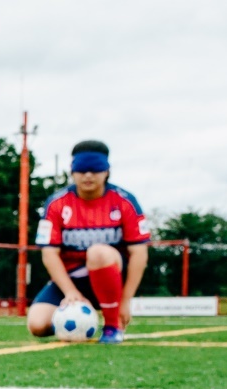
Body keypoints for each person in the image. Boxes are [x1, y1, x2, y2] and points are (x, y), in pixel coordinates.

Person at [28, 140, 150, 343]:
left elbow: (139, 252)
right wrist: (70, 292)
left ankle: (112, 326)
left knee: (98, 252)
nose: (88, 175)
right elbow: (49, 254)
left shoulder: (125, 201)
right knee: (38, 325)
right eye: (82, 170)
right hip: (72, 278)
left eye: (95, 169)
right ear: (72, 172)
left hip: (110, 276)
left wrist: (125, 300)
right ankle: (85, 323)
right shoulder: (56, 203)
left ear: (107, 171)